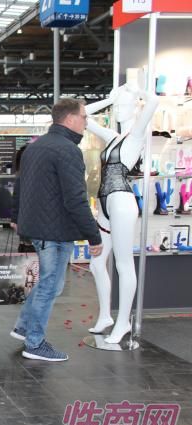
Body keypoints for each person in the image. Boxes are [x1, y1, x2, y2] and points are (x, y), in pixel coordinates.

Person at [10, 98, 103, 362]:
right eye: (84, 117)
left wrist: (16, 217)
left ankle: (24, 327)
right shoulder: (68, 151)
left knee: (49, 283)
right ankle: (34, 343)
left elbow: (19, 186)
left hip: (38, 228)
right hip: (55, 230)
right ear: (70, 119)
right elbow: (76, 199)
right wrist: (94, 236)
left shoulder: (34, 147)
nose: (86, 122)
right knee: (50, 285)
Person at [85, 82, 158, 344]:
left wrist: (137, 92)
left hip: (121, 201)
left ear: (134, 107)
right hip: (105, 202)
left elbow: (154, 101)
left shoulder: (136, 134)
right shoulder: (113, 137)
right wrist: (109, 99)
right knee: (96, 262)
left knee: (123, 263)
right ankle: (106, 315)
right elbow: (83, 115)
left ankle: (124, 321)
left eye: (123, 105)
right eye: (116, 107)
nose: (118, 110)